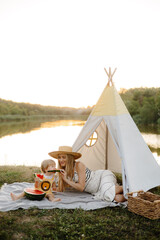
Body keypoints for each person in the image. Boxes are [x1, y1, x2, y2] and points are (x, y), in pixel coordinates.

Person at [48, 146, 126, 202]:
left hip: (102, 177)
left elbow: (81, 187)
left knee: (108, 192)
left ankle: (129, 187)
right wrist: (51, 177)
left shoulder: (78, 165)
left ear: (69, 158)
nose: (61, 160)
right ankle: (131, 195)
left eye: (63, 157)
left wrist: (66, 180)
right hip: (96, 191)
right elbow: (59, 189)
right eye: (59, 157)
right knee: (117, 199)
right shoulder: (62, 170)